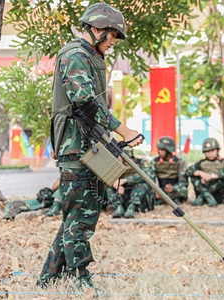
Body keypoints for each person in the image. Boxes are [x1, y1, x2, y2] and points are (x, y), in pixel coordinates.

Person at [39, 3, 143, 291]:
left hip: (85, 144)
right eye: (111, 36)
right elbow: (85, 101)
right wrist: (123, 130)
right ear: (97, 28)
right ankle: (79, 280)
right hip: (76, 146)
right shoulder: (75, 55)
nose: (112, 43)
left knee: (78, 212)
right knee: (81, 216)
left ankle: (49, 277)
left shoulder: (88, 55)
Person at [109, 147, 155, 218]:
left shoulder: (142, 162)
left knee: (143, 184)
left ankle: (132, 207)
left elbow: (147, 175)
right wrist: (116, 184)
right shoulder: (117, 164)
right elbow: (107, 176)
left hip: (140, 200)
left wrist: (124, 181)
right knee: (109, 183)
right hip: (124, 196)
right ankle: (118, 207)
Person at [187, 138, 224, 207]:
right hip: (205, 186)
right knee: (194, 176)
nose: (210, 153)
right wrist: (201, 174)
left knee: (223, 177)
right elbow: (189, 170)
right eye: (207, 151)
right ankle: (207, 196)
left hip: (220, 194)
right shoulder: (201, 162)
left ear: (217, 150)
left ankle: (203, 196)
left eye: (212, 150)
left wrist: (212, 176)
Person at [152, 136, 188, 204]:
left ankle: (164, 199)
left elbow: (184, 183)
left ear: (168, 150)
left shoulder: (179, 162)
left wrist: (173, 188)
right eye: (159, 149)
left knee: (183, 191)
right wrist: (156, 191)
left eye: (162, 150)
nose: (159, 152)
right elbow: (150, 179)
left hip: (175, 189)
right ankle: (171, 199)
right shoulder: (154, 162)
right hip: (162, 190)